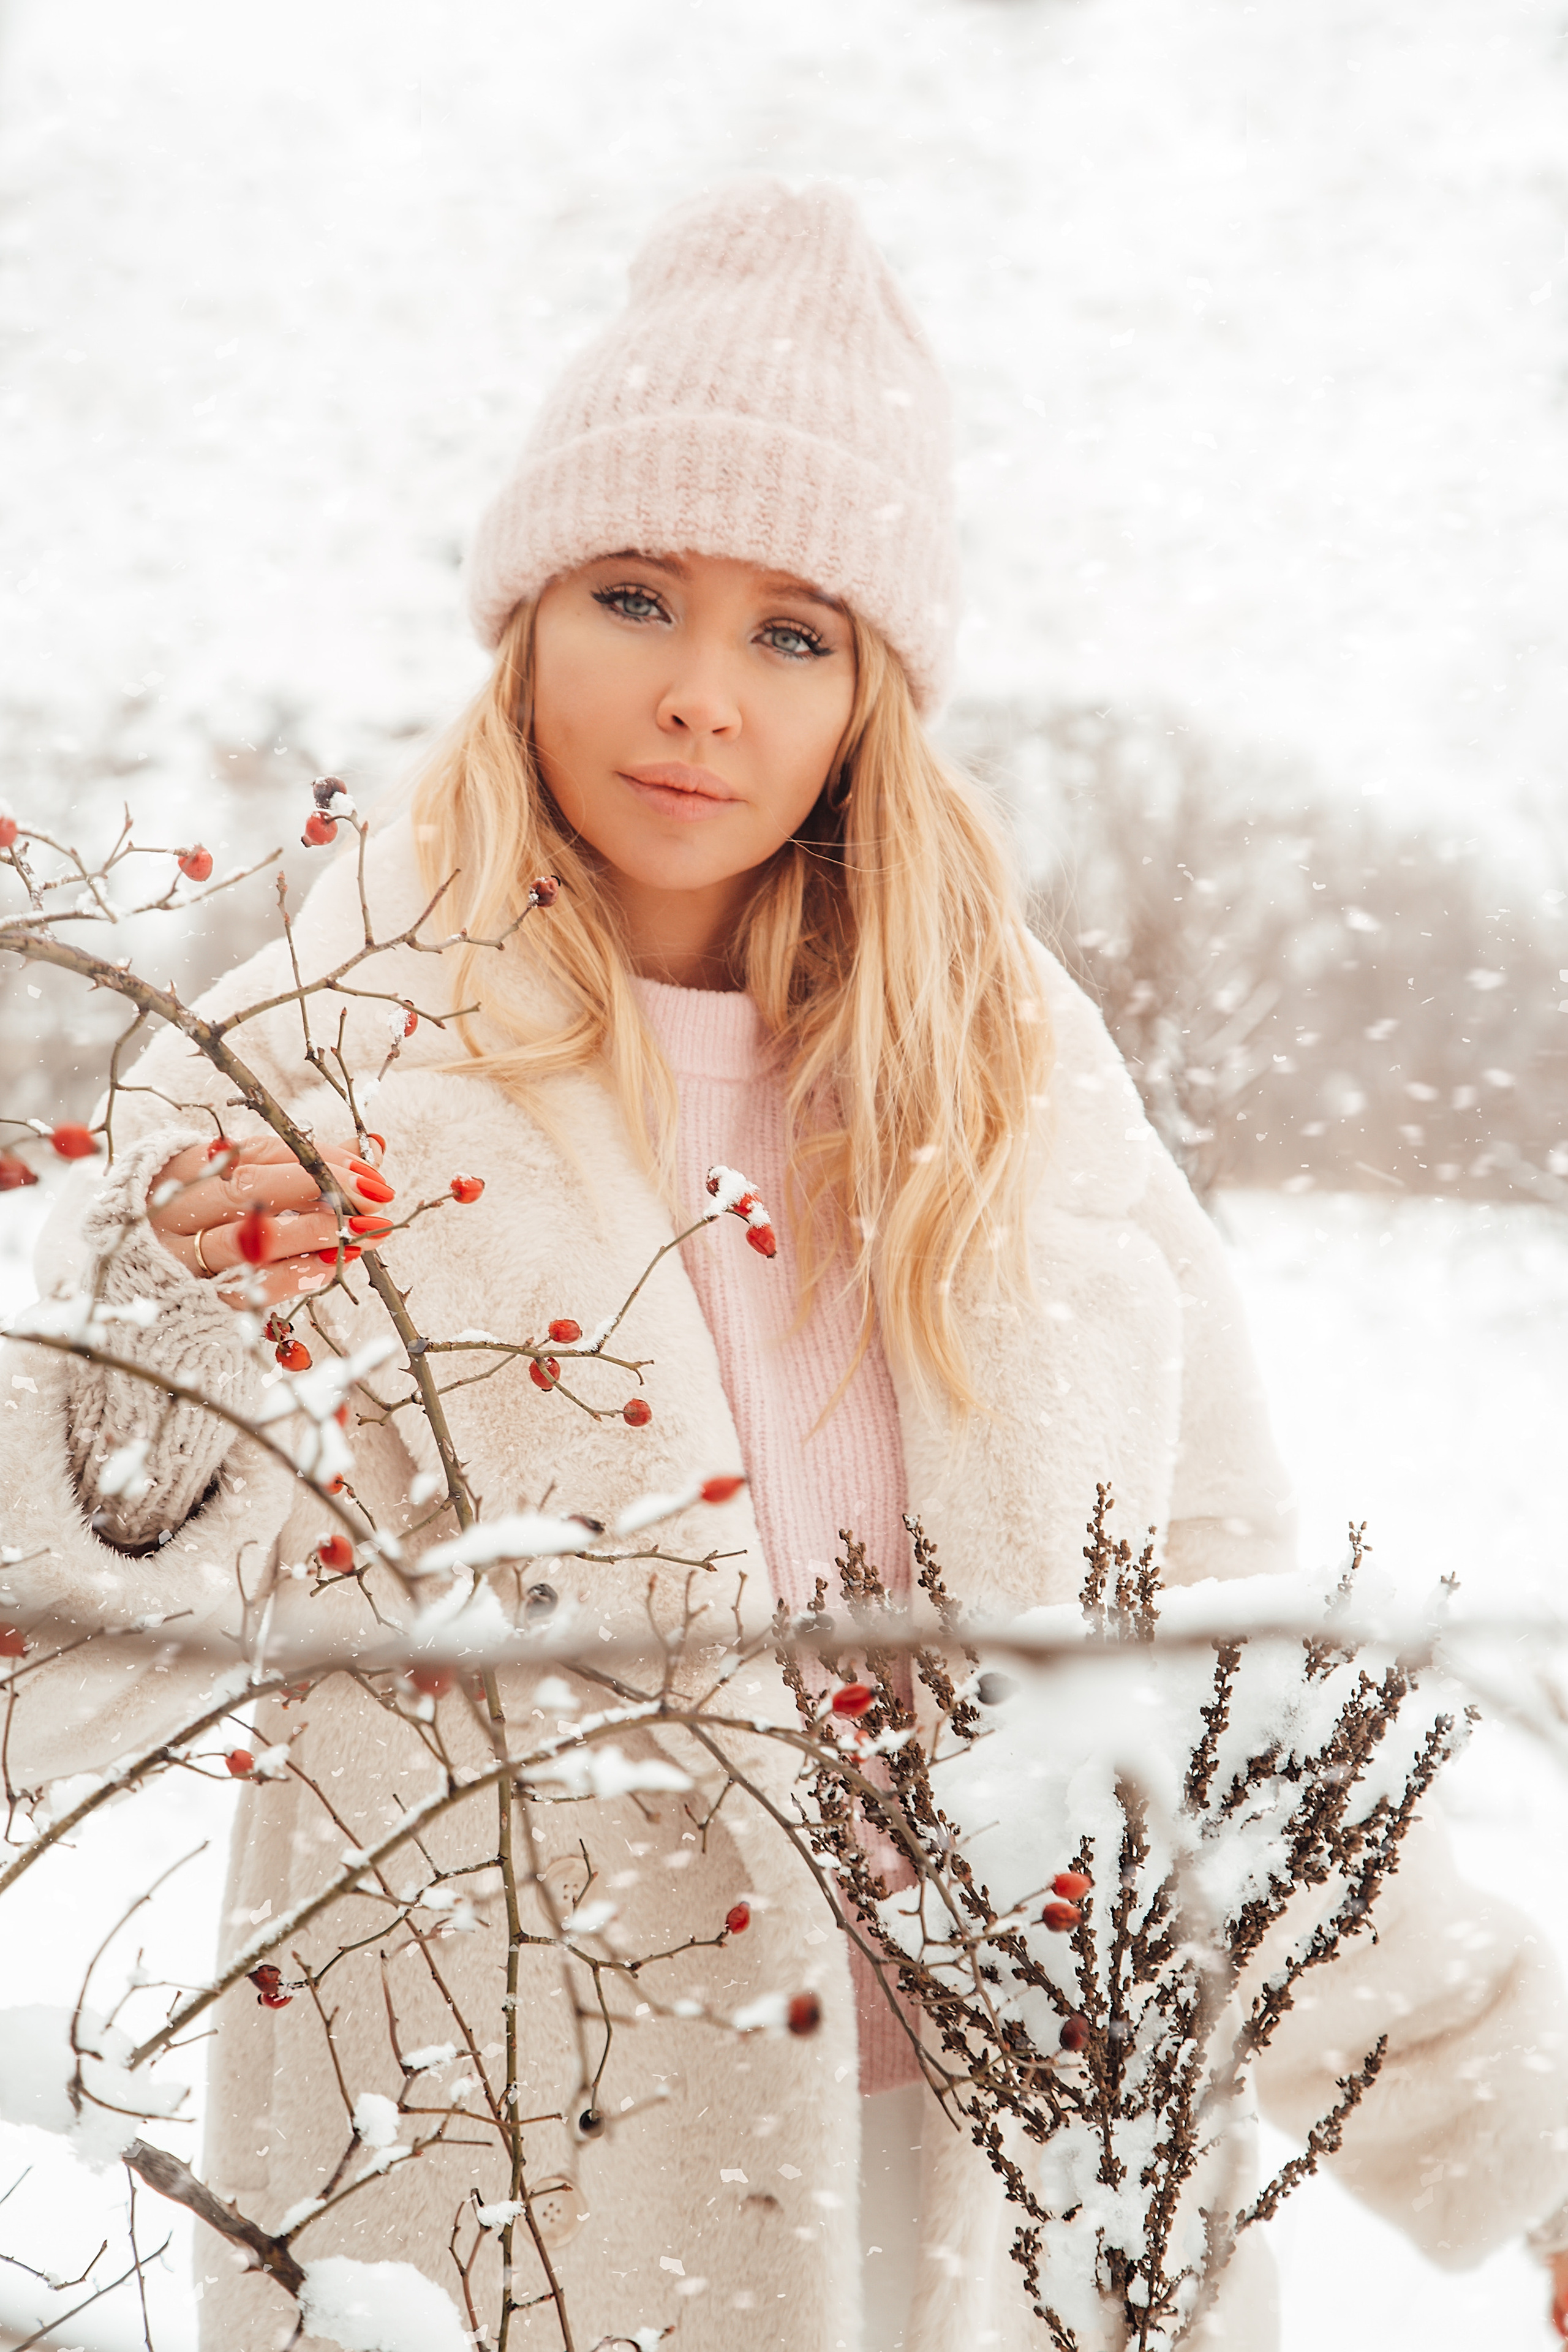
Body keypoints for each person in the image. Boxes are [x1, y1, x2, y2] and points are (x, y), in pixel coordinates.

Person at [4, 179, 1566, 2352]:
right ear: (525, 619)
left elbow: (1204, 1675)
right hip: (504, 2201)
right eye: (637, 594)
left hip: (1035, 2198)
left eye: (792, 631)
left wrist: (1519, 2137)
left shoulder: (1021, 1099)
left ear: (869, 696)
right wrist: (169, 1356)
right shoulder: (309, 1062)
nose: (701, 700)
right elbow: (58, 1679)